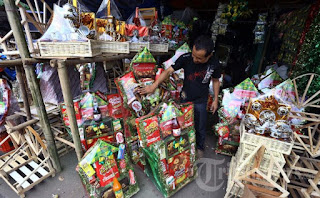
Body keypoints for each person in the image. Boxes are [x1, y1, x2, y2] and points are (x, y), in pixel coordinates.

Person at [140, 35, 221, 158]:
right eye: (193, 55)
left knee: (200, 125)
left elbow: (216, 80)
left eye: (199, 58)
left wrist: (215, 99)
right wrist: (154, 85)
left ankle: (199, 147)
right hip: (185, 97)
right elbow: (168, 71)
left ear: (209, 56)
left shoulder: (214, 63)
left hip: (201, 99)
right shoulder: (186, 58)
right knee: (183, 124)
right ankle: (185, 147)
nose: (194, 59)